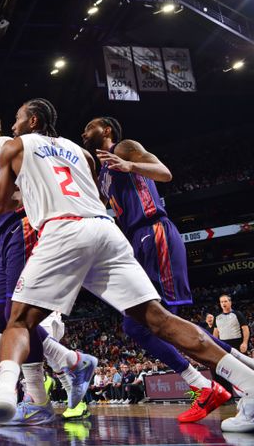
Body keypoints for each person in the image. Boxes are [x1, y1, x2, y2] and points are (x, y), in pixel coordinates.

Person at [0, 98, 254, 435]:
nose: (13, 126)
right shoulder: (80, 154)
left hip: (63, 230)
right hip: (105, 231)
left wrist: (30, 194)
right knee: (159, 319)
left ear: (34, 121)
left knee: (18, 320)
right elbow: (94, 197)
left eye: (18, 119)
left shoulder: (15, 145)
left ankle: (7, 392)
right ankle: (250, 385)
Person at [82, 116, 247, 422]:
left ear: (105, 130)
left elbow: (165, 173)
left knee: (153, 323)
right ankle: (238, 374)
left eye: (89, 127)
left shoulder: (125, 147)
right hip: (135, 240)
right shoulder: (101, 170)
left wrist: (131, 166)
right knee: (147, 325)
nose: (83, 131)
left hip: (153, 231)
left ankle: (220, 384)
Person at [0, 113, 95, 423]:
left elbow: (35, 169)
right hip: (2, 238)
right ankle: (72, 362)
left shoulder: (1, 146)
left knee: (17, 315)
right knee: (0, 320)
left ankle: (39, 398)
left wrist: (32, 194)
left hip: (23, 227)